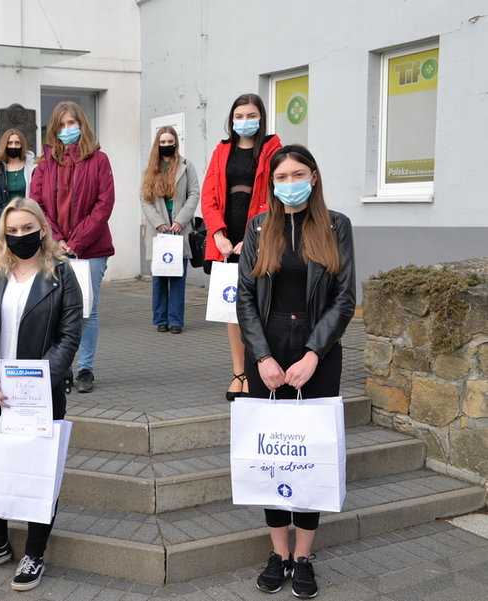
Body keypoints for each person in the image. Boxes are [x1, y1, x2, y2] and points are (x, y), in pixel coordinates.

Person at [236, 145, 356, 598]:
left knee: (308, 454)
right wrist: (261, 357)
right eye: (281, 177)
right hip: (266, 354)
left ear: (314, 177)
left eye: (298, 174)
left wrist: (313, 353)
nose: (290, 183)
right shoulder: (258, 227)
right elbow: (245, 298)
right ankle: (278, 552)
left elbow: (344, 298)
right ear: (272, 184)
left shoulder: (336, 225)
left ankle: (303, 557)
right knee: (271, 455)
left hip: (317, 355)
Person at [0, 197, 82, 592]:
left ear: (42, 229)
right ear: (3, 234)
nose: (19, 235)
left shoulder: (61, 274)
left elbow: (69, 335)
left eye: (27, 228)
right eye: (11, 230)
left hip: (40, 392)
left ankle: (34, 552)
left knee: (39, 472)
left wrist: (40, 381)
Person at [201, 93, 282, 400]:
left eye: (251, 116)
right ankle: (239, 373)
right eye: (239, 116)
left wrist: (254, 236)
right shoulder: (222, 150)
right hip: (226, 244)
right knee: (233, 309)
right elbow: (209, 195)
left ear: (261, 118)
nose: (244, 121)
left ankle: (258, 369)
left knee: (259, 309)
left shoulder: (274, 149)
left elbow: (276, 196)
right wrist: (217, 234)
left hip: (260, 238)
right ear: (231, 120)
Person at [30, 100, 114, 393]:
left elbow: (104, 204)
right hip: (54, 249)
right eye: (62, 124)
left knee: (87, 310)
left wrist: (76, 242)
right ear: (54, 129)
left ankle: (85, 368)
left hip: (91, 250)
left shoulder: (99, 160)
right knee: (54, 310)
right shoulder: (44, 164)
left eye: (72, 123)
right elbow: (36, 204)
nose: (67, 129)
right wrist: (56, 240)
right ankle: (60, 366)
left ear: (82, 125)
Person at [141, 126, 201, 333]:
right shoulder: (150, 168)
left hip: (179, 228)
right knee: (159, 277)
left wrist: (181, 220)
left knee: (177, 277)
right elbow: (144, 199)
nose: (166, 145)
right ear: (157, 144)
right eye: (162, 142)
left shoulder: (187, 165)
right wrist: (158, 222)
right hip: (158, 230)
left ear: (176, 142)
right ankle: (160, 319)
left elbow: (194, 193)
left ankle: (175, 321)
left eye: (169, 141)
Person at [0, 128, 36, 240]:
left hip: (28, 222)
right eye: (10, 143)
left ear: (22, 145)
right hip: (3, 224)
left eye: (17, 143)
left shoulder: (32, 168)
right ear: (5, 145)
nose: (13, 146)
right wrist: (4, 218)